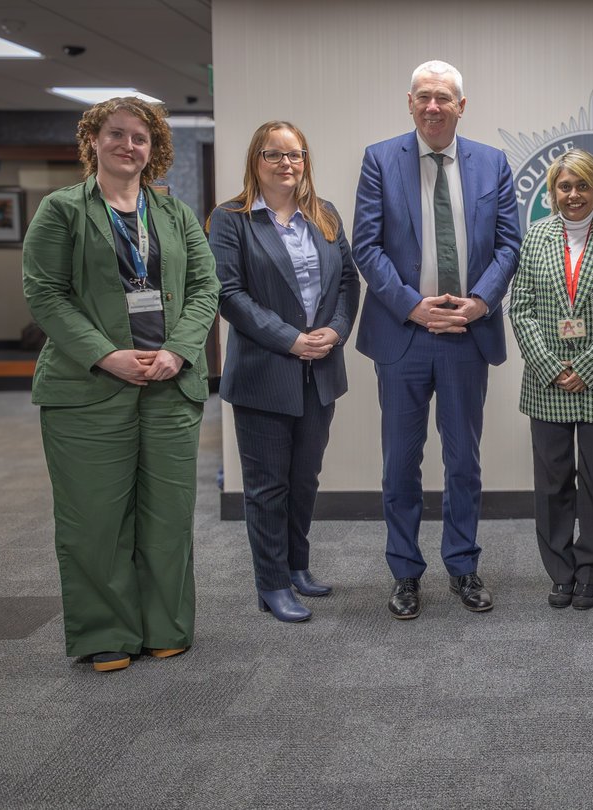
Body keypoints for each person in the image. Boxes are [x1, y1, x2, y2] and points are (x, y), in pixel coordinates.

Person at [21, 97, 219, 672]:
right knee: (95, 516)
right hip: (87, 390)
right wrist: (106, 355)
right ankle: (105, 631)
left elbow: (206, 288)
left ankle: (165, 624)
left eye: (140, 137)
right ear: (93, 141)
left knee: (167, 515)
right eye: (116, 134)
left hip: (167, 385)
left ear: (153, 150)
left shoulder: (174, 213)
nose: (128, 145)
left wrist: (179, 353)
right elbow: (45, 293)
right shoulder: (62, 210)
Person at [353, 59, 522, 619]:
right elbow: (367, 247)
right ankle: (404, 573)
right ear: (410, 103)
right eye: (423, 96)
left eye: (443, 97)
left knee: (463, 462)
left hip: (465, 335)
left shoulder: (492, 163)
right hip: (405, 334)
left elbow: (507, 245)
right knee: (400, 463)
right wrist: (414, 307)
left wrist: (477, 304)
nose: (432, 106)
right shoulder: (380, 160)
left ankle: (463, 566)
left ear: (461, 105)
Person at [209, 121, 360, 623]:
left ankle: (297, 567)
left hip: (320, 371)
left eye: (294, 155)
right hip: (264, 372)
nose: (286, 164)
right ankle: (270, 584)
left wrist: (335, 332)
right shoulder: (231, 219)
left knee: (304, 479)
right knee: (267, 486)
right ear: (256, 160)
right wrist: (290, 339)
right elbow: (229, 294)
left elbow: (347, 284)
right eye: (274, 155)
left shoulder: (325, 215)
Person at [508, 149, 593, 610]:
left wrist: (588, 368)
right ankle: (560, 572)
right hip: (548, 383)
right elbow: (519, 308)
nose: (573, 194)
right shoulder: (536, 236)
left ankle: (590, 571)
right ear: (552, 192)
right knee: (553, 482)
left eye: (582, 185)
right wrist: (553, 368)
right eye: (565, 186)